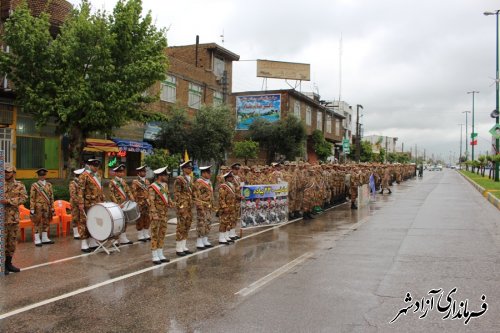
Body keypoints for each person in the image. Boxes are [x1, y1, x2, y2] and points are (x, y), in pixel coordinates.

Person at [2, 164, 28, 274]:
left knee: (11, 242)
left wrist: (9, 201)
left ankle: (9, 263)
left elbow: (24, 198)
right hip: (2, 218)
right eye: (4, 172)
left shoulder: (19, 185)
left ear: (13, 172)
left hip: (13, 218)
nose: (6, 174)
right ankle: (2, 265)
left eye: (8, 172)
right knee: (2, 242)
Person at [78, 158, 105, 252]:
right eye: (94, 166)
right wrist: (80, 202)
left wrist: (102, 200)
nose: (96, 168)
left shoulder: (98, 175)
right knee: (84, 222)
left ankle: (93, 241)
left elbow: (100, 189)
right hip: (87, 203)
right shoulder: (84, 176)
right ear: (90, 165)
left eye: (97, 166)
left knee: (94, 221)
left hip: (97, 202)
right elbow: (80, 190)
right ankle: (84, 243)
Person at [148, 167, 171, 265]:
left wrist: (171, 203)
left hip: (164, 214)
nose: (167, 177)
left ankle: (160, 254)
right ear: (160, 176)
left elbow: (167, 198)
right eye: (165, 175)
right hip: (156, 215)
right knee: (155, 234)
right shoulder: (153, 187)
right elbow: (151, 202)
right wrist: (154, 214)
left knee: (162, 234)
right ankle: (154, 255)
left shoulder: (165, 185)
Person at [108, 164, 134, 245]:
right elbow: (111, 194)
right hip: (117, 205)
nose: (121, 173)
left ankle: (123, 238)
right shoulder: (112, 182)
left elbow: (128, 191)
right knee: (117, 222)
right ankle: (114, 240)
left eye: (122, 172)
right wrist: (117, 204)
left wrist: (132, 197)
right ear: (116, 173)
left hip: (124, 204)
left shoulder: (123, 181)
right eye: (119, 172)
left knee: (124, 221)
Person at [30, 168, 55, 246]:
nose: (42, 176)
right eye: (40, 175)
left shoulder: (49, 185)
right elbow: (32, 197)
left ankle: (44, 238)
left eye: (43, 175)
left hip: (47, 206)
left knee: (46, 221)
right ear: (38, 176)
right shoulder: (35, 185)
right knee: (37, 222)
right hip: (38, 207)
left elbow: (51, 197)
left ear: (45, 175)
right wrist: (32, 208)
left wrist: (52, 207)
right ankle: (37, 239)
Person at [174, 160, 194, 256]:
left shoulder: (190, 178)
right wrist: (180, 206)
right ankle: (178, 248)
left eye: (191, 168)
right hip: (183, 206)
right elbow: (177, 194)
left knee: (187, 225)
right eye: (188, 168)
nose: (190, 169)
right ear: (183, 169)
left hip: (189, 206)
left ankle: (184, 245)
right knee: (181, 226)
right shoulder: (179, 179)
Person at [193, 165, 215, 249]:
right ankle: (199, 241)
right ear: (204, 173)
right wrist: (199, 207)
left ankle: (205, 239)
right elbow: (196, 196)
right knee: (201, 223)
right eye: (208, 172)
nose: (210, 174)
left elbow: (211, 195)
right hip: (202, 206)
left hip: (208, 207)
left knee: (208, 223)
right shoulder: (199, 182)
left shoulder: (209, 182)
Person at [131, 165, 151, 242]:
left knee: (147, 218)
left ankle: (146, 233)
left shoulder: (147, 181)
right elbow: (133, 192)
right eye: (143, 171)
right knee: (140, 218)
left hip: (147, 202)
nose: (144, 173)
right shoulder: (135, 182)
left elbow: (149, 191)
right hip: (140, 202)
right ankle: (140, 235)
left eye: (145, 171)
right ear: (139, 173)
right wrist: (138, 199)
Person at [218, 171, 236, 244]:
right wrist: (224, 207)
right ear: (227, 178)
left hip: (231, 207)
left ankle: (226, 236)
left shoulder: (231, 185)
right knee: (223, 222)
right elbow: (221, 198)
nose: (232, 178)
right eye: (231, 177)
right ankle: (221, 238)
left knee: (229, 222)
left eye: (232, 177)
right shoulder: (223, 186)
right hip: (225, 208)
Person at [69, 168, 85, 239]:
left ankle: (81, 231)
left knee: (81, 217)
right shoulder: (73, 183)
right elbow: (73, 195)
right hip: (75, 203)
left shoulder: (81, 182)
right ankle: (75, 233)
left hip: (82, 203)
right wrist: (79, 202)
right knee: (75, 217)